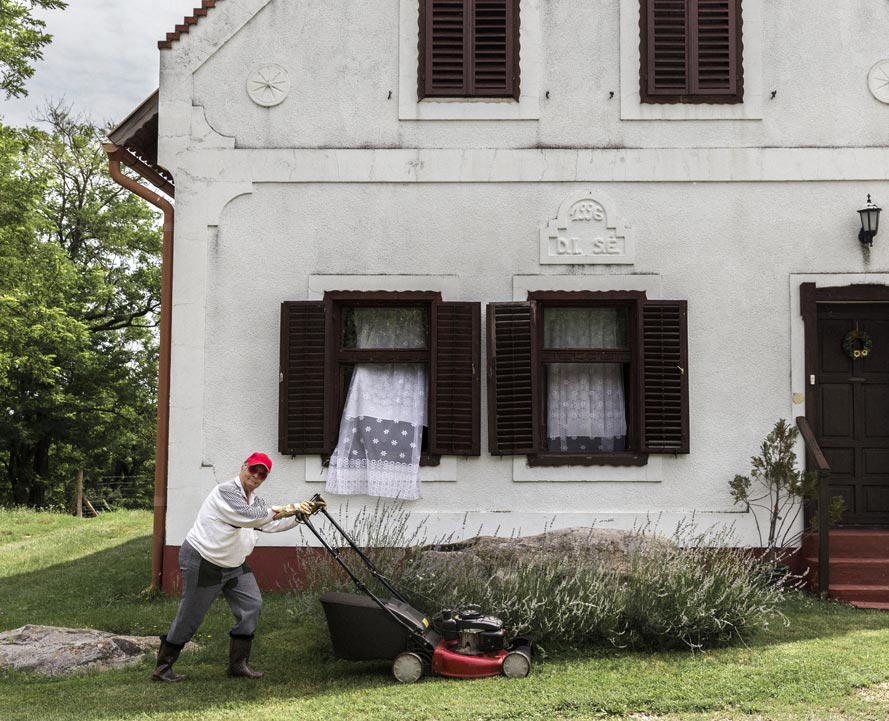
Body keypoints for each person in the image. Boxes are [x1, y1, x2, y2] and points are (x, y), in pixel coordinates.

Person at [153, 452, 322, 682]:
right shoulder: (226, 492)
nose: (257, 476)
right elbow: (249, 517)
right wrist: (289, 507)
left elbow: (269, 523)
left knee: (252, 606)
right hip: (205, 561)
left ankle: (238, 666)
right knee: (190, 617)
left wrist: (302, 513)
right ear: (244, 467)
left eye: (263, 474)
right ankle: (163, 669)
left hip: (234, 564)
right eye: (254, 469)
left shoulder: (256, 501)